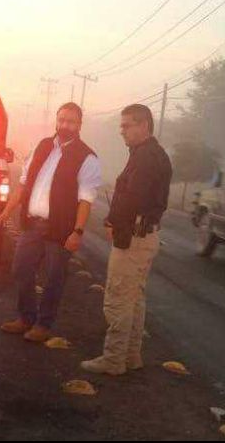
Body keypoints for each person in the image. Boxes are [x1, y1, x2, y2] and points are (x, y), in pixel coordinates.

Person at [0, 102, 102, 343]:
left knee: (54, 278)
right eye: (62, 119)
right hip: (32, 225)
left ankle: (43, 325)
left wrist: (77, 232)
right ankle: (26, 317)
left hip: (60, 229)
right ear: (56, 120)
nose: (65, 125)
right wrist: (7, 210)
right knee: (21, 269)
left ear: (79, 125)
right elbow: (24, 183)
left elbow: (86, 199)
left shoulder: (87, 157)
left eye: (71, 121)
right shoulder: (42, 146)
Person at [81, 104, 172, 375]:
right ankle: (130, 356)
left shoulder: (145, 158)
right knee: (134, 299)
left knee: (119, 299)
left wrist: (112, 221)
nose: (122, 131)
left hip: (134, 237)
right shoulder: (151, 154)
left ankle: (113, 359)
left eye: (126, 125)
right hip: (144, 235)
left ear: (144, 125)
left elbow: (131, 198)